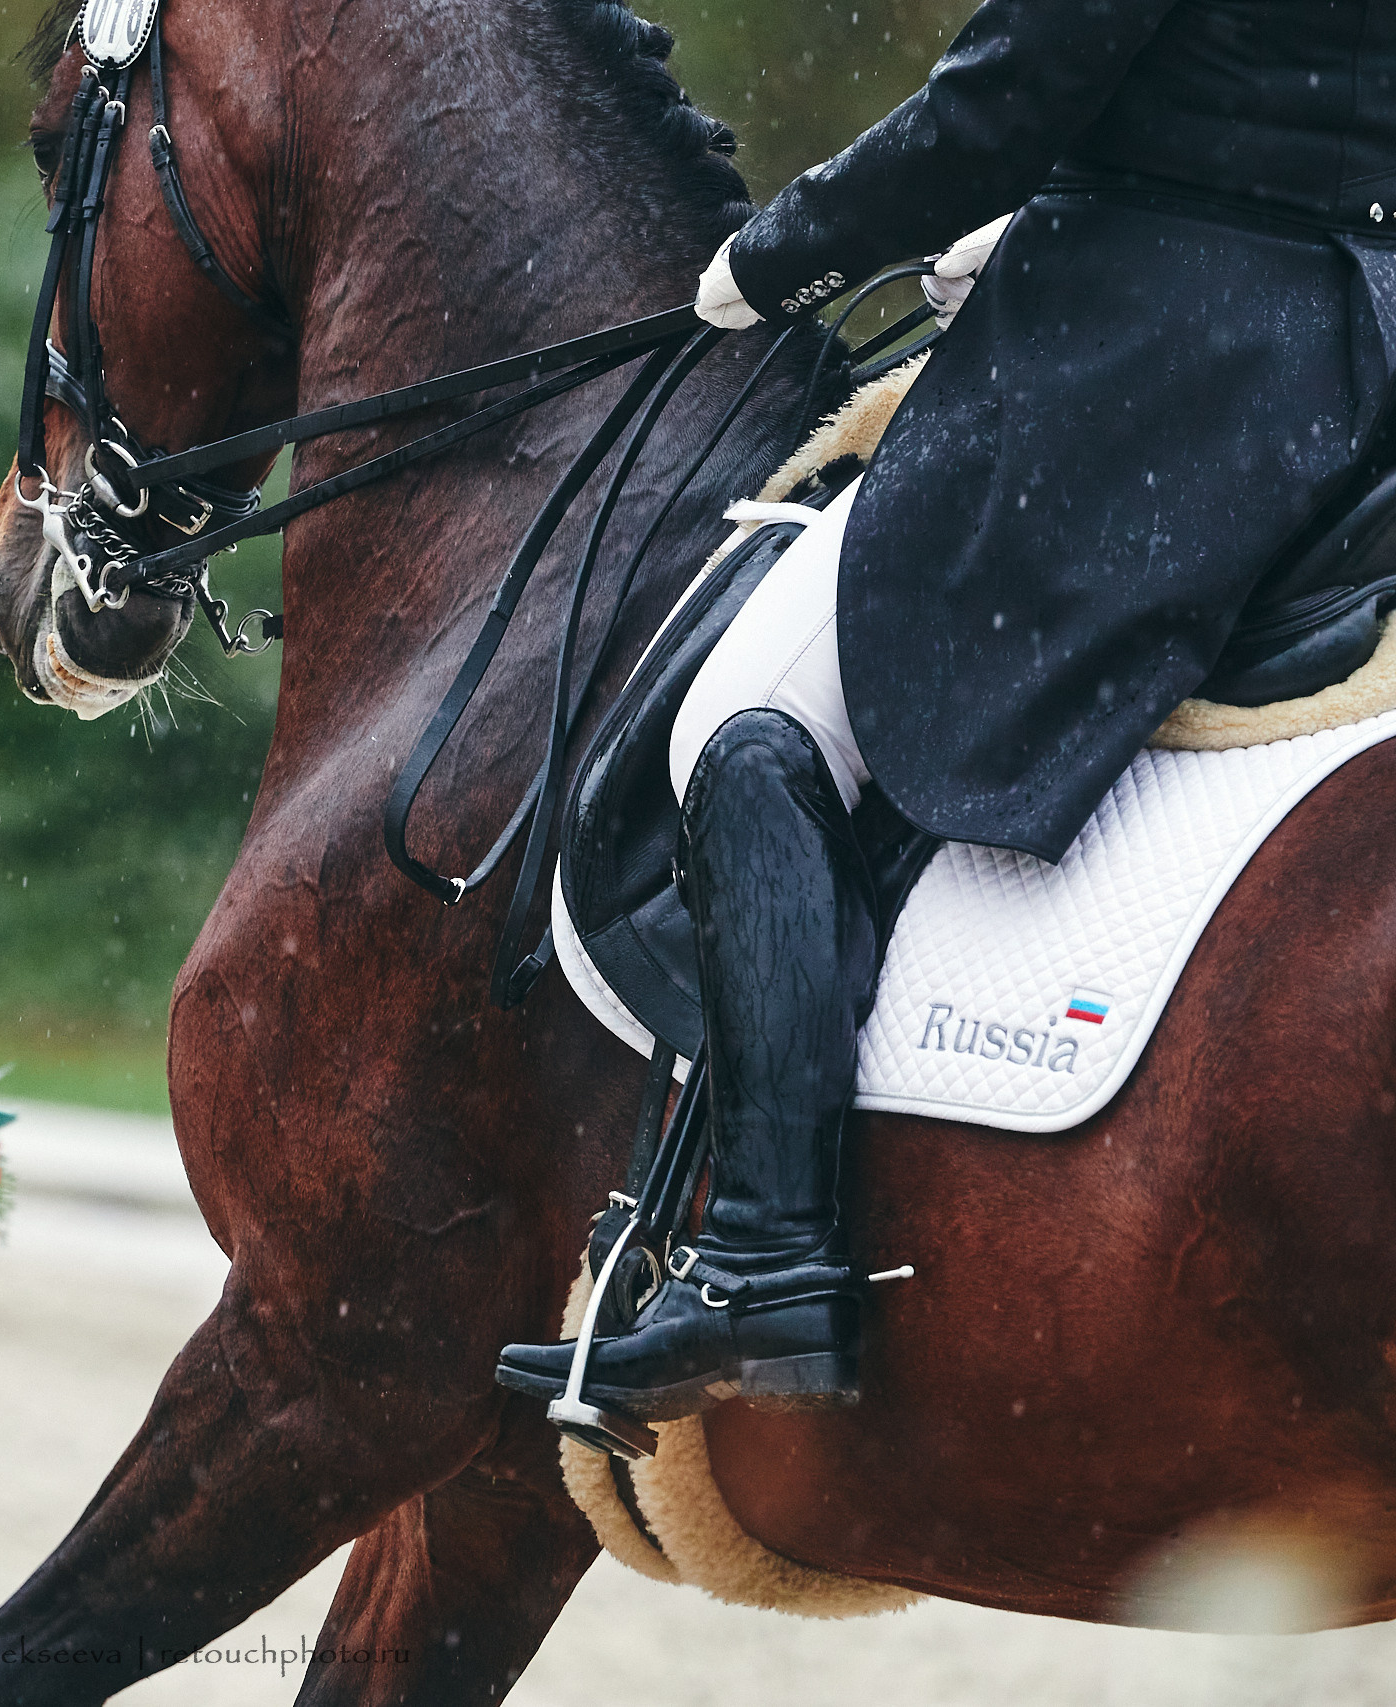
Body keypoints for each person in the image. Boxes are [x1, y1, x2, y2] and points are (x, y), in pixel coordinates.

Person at [498, 1, 1396, 1422]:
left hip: (1163, 367)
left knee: (755, 726)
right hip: (1359, 372)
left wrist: (768, 256)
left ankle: (766, 1257)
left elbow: (998, 105)